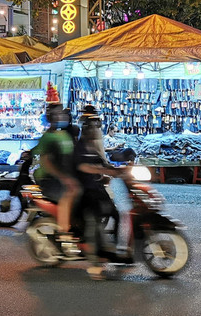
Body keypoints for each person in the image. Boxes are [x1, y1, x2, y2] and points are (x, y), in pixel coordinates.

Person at [73, 113, 131, 279]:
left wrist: (119, 170)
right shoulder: (80, 147)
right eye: (94, 128)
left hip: (98, 189)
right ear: (86, 130)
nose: (97, 131)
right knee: (94, 224)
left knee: (117, 214)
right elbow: (83, 167)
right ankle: (95, 263)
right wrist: (102, 170)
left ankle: (115, 248)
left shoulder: (93, 147)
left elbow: (103, 163)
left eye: (97, 128)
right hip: (85, 192)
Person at [33, 104, 81, 240]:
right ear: (51, 117)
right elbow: (46, 162)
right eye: (57, 114)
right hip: (50, 179)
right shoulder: (48, 137)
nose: (61, 116)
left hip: (63, 176)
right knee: (71, 193)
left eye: (62, 113)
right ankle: (63, 233)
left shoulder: (65, 135)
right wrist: (65, 178)